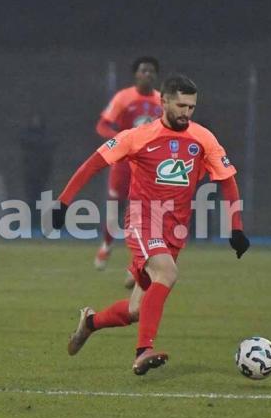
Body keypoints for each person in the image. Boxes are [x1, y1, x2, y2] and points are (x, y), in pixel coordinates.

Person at [53, 74, 250, 375]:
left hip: (175, 231)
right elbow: (93, 164)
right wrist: (63, 202)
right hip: (143, 221)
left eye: (192, 107)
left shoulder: (203, 138)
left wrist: (236, 227)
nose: (187, 113)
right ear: (164, 102)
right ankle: (143, 351)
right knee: (167, 272)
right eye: (181, 105)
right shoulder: (137, 136)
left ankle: (89, 323)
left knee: (135, 309)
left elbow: (228, 181)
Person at [94, 57, 162, 271]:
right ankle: (106, 244)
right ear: (136, 74)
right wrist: (120, 139)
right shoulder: (124, 97)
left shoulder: (162, 101)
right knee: (115, 208)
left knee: (143, 212)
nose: (148, 75)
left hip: (147, 165)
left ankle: (140, 260)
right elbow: (102, 125)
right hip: (124, 163)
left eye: (151, 71)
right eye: (143, 71)